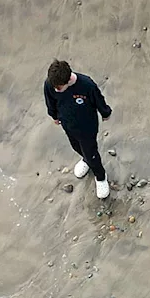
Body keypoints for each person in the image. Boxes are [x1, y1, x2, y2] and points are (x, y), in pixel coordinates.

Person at [44, 60, 112, 199]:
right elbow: (50, 100)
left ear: (68, 80)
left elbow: (99, 99)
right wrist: (54, 116)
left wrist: (105, 113)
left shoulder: (87, 85)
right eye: (54, 86)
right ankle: (85, 160)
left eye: (59, 87)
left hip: (87, 126)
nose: (56, 89)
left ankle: (100, 177)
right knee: (76, 146)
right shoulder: (50, 84)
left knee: (91, 152)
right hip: (67, 124)